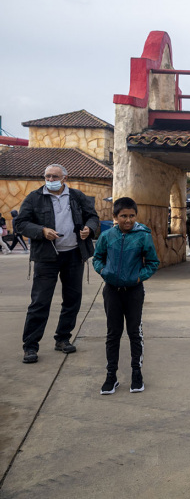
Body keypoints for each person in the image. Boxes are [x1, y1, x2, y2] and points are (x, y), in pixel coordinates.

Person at [16, 163, 99, 364]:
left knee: (72, 300)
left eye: (55, 177)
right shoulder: (35, 197)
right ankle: (30, 346)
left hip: (73, 255)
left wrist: (89, 228)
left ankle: (62, 338)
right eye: (48, 176)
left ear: (64, 178)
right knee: (40, 302)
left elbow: (93, 217)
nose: (51, 180)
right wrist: (41, 231)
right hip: (47, 257)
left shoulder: (77, 196)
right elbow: (20, 224)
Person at [92, 197, 159, 394]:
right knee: (113, 334)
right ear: (115, 217)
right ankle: (111, 375)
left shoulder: (143, 235)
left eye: (131, 216)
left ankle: (136, 373)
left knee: (134, 333)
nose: (128, 220)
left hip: (134, 292)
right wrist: (104, 271)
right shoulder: (107, 236)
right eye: (123, 216)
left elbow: (153, 262)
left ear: (136, 216)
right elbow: (97, 258)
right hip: (111, 291)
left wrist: (139, 278)